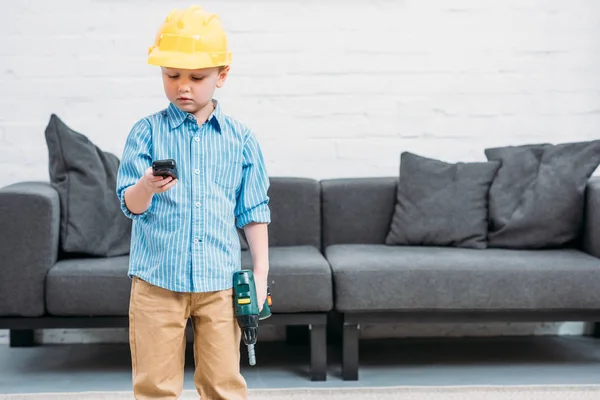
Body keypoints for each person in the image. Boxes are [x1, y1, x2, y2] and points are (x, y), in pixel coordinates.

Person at [115, 5, 270, 399]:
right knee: (155, 387)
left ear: (222, 75)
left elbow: (253, 214)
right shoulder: (146, 133)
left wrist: (261, 277)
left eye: (197, 77)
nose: (183, 86)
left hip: (219, 284)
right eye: (172, 75)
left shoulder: (242, 140)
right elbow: (129, 205)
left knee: (223, 386)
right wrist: (147, 186)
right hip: (156, 284)